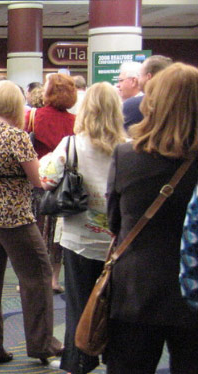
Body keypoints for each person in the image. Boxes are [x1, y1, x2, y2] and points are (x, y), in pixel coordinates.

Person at [106, 62, 198, 373]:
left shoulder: (127, 156)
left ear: (151, 102)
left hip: (136, 288)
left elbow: (114, 224)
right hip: (193, 288)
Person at [0, 80, 62, 366]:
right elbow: (38, 181)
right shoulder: (16, 136)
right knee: (38, 276)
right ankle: (41, 343)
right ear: (15, 104)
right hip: (14, 216)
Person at [38, 82, 126, 374]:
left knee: (79, 304)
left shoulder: (71, 144)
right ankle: (115, 358)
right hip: (118, 243)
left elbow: (48, 181)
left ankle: (78, 361)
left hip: (79, 238)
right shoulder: (128, 147)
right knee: (115, 306)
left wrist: (48, 161)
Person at [25, 73, 77, 294]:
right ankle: (54, 279)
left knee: (35, 231)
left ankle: (34, 278)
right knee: (58, 234)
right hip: (65, 185)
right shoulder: (75, 121)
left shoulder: (33, 116)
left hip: (38, 181)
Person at [123, 55, 173, 130]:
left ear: (149, 77)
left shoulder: (132, 106)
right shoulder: (184, 105)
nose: (138, 79)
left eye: (139, 75)